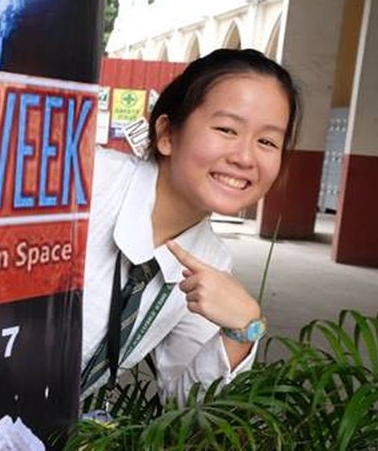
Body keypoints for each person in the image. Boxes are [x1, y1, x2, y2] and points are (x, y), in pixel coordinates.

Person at [81, 48, 299, 404]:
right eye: (227, 129)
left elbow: (186, 400)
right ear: (167, 133)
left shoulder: (211, 263)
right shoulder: (87, 181)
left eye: (267, 141)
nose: (245, 157)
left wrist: (242, 329)